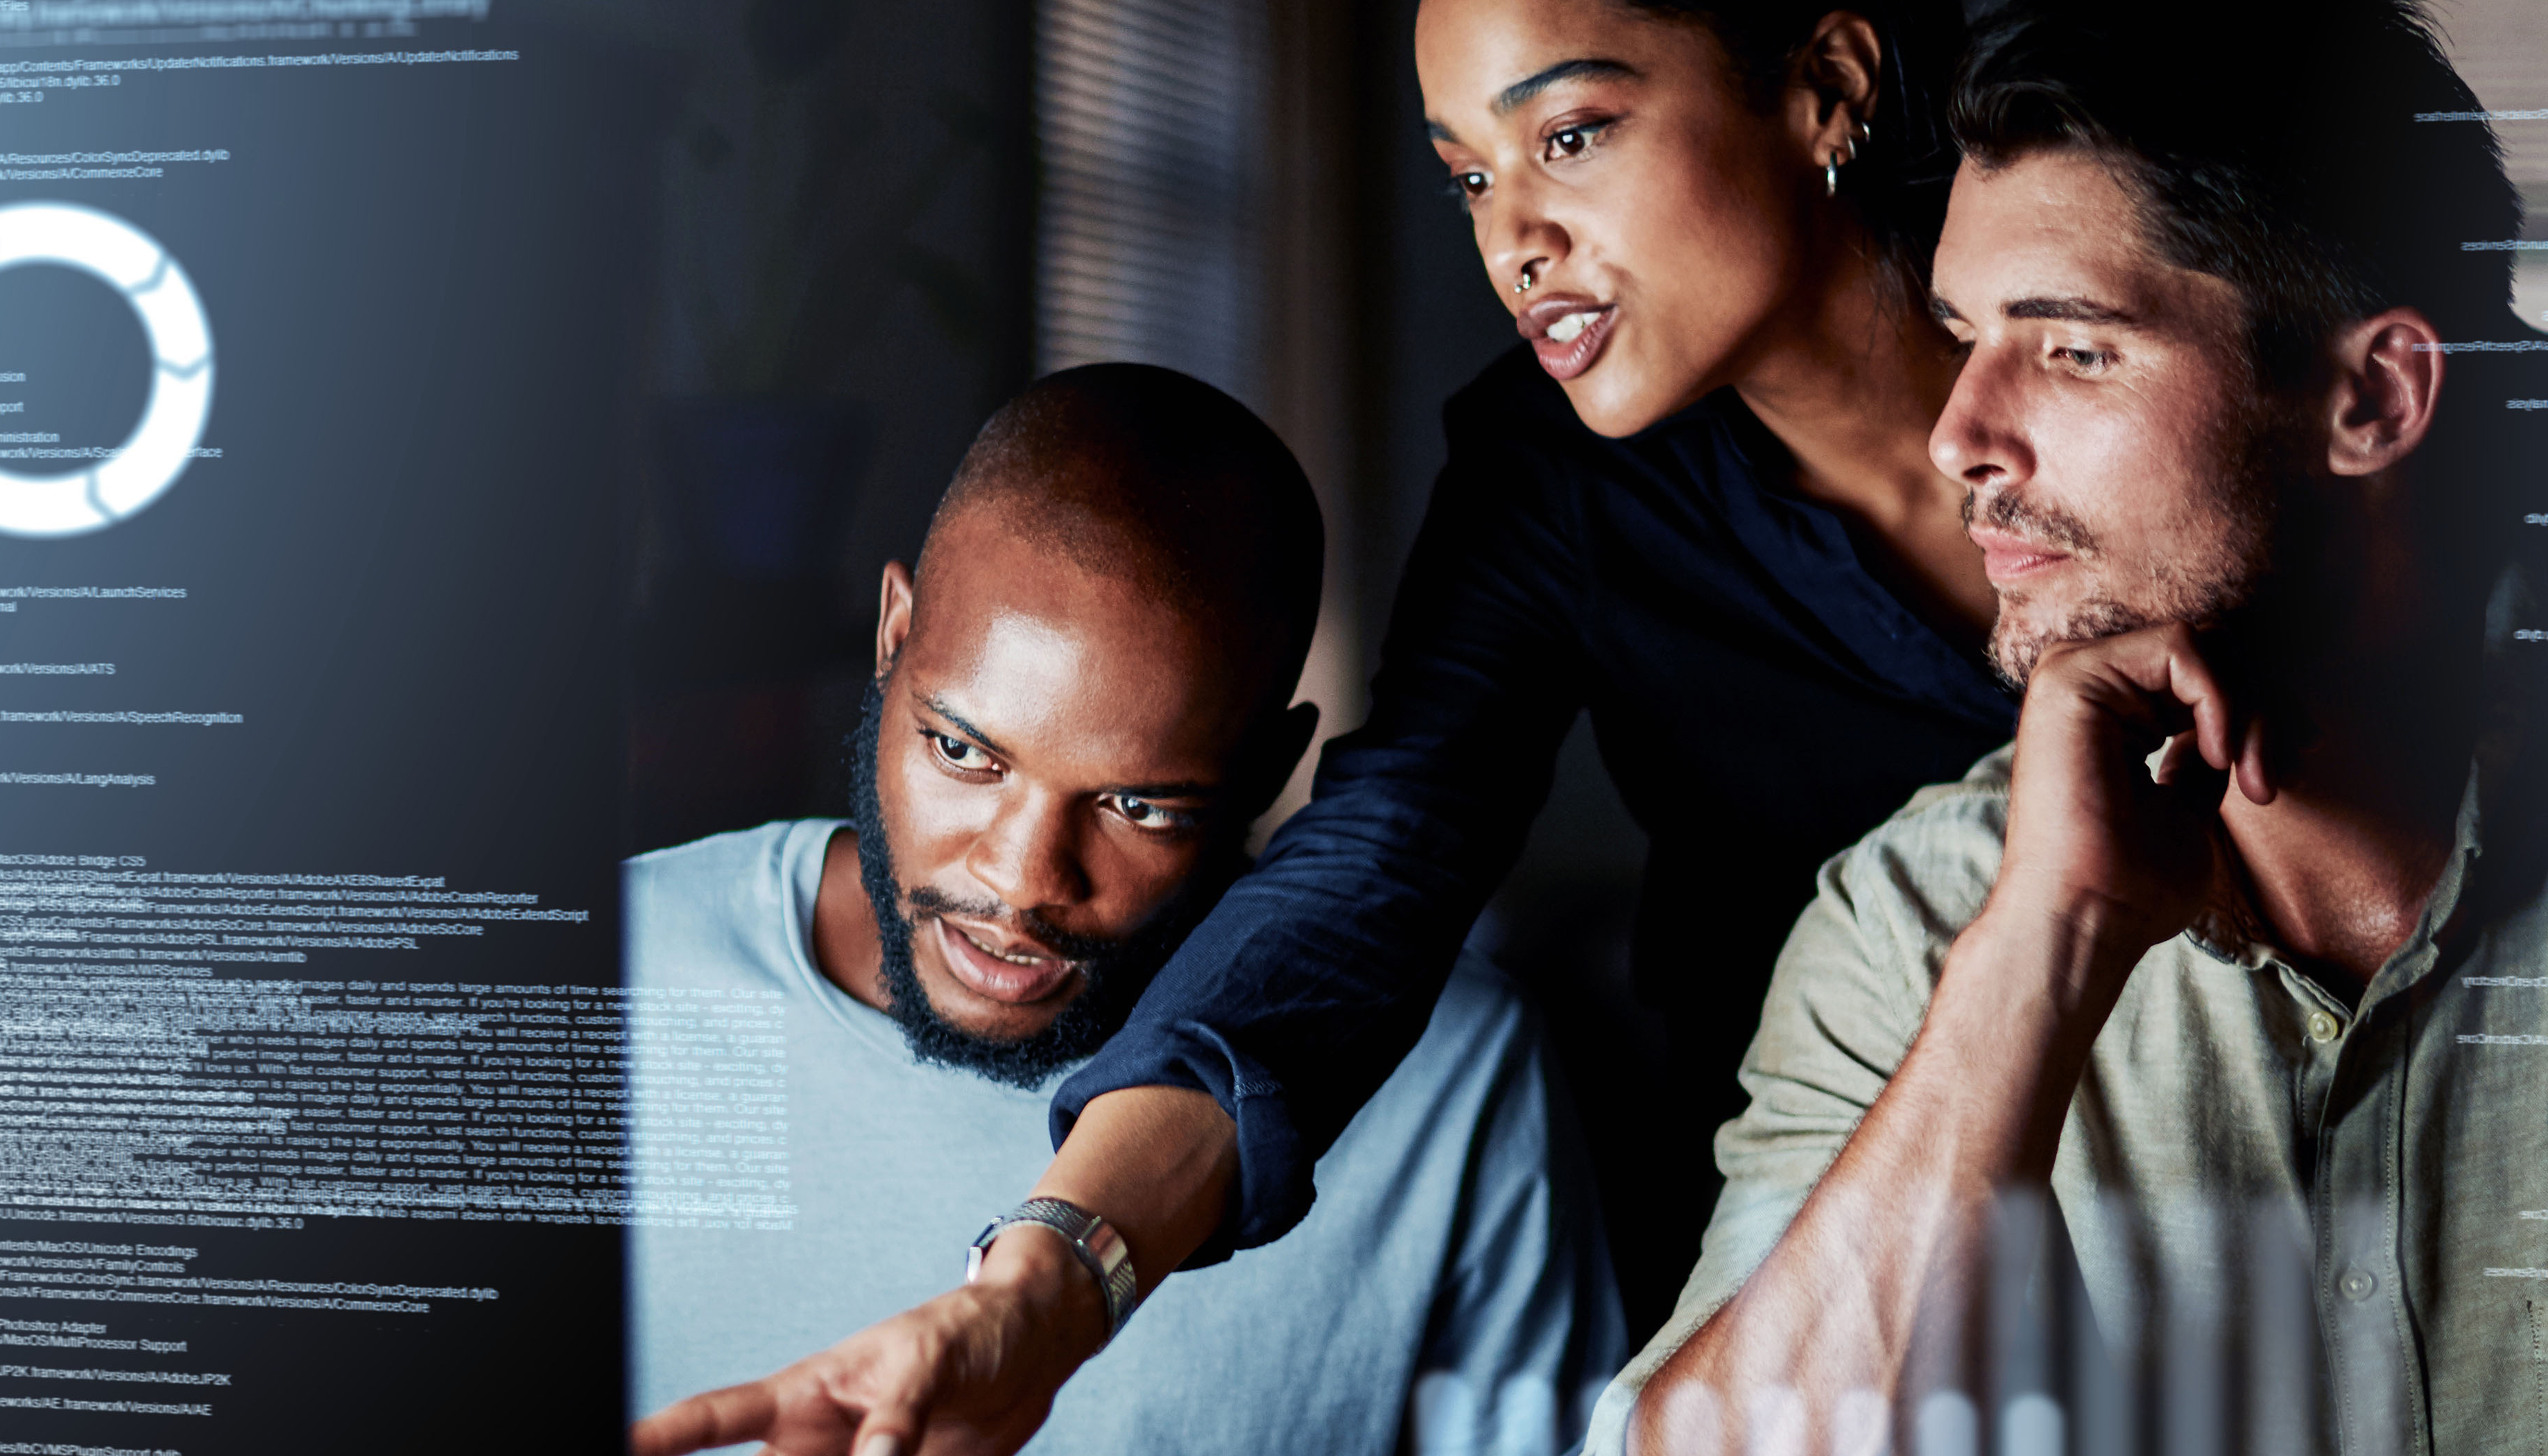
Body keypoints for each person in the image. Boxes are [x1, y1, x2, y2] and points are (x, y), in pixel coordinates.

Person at [639, 0, 2022, 1450]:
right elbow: (1387, 850)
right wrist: (1048, 1286)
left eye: (1570, 135)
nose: (1513, 242)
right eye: (1472, 175)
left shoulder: (2172, 343)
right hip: (1836, 1214)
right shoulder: (1551, 483)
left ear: (1827, 88)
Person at [1607, 0, 2529, 1449]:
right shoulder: (1921, 924)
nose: (1958, 435)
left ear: (2372, 397)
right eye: (1969, 337)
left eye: (2075, 350)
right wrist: (2044, 949)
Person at [625, 363, 1623, 1455]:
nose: (1021, 880)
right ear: (892, 633)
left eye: (1138, 806)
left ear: (1266, 768)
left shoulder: (1455, 1074)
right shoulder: (607, 969)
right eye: (963, 752)